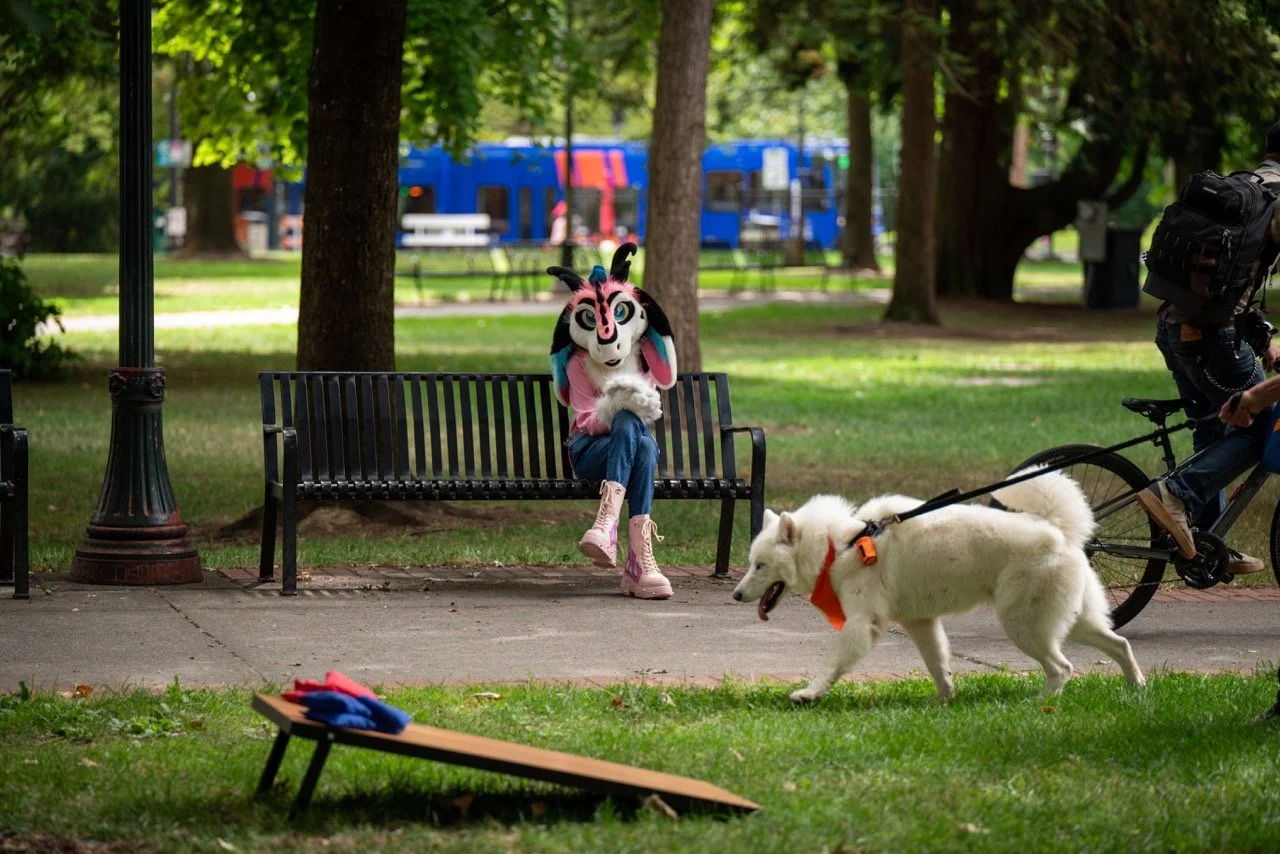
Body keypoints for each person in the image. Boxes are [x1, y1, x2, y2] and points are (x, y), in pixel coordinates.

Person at [1137, 122, 1280, 574]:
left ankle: (1204, 543)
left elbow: (1234, 280)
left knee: (1212, 432)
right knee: (1260, 424)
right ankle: (1176, 493)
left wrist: (1263, 339)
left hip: (1174, 327)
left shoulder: (1244, 187)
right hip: (1212, 340)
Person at [547, 242, 679, 599]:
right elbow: (585, 419)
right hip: (589, 452)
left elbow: (646, 409)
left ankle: (612, 530)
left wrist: (626, 408)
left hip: (631, 450)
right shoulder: (577, 364)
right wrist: (616, 408)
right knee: (631, 427)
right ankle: (638, 563)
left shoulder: (643, 360)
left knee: (642, 445)